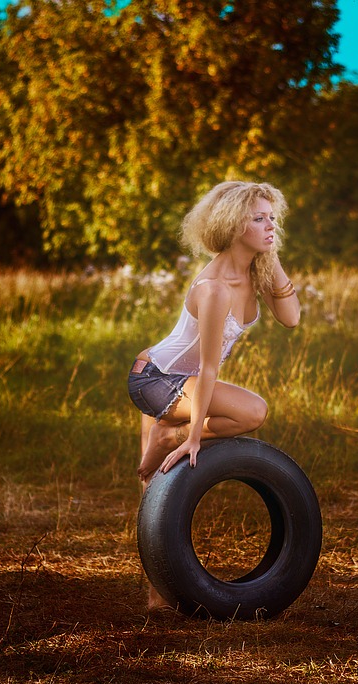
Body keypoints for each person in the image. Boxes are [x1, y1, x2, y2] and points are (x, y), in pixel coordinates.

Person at [127, 181, 301, 609]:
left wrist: (271, 254)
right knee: (253, 412)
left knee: (156, 490)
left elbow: (291, 318)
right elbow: (207, 368)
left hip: (178, 381)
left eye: (272, 217)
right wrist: (192, 436)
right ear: (231, 224)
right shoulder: (215, 287)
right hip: (157, 378)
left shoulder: (254, 272)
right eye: (258, 219)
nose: (269, 226)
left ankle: (158, 597)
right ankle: (169, 435)